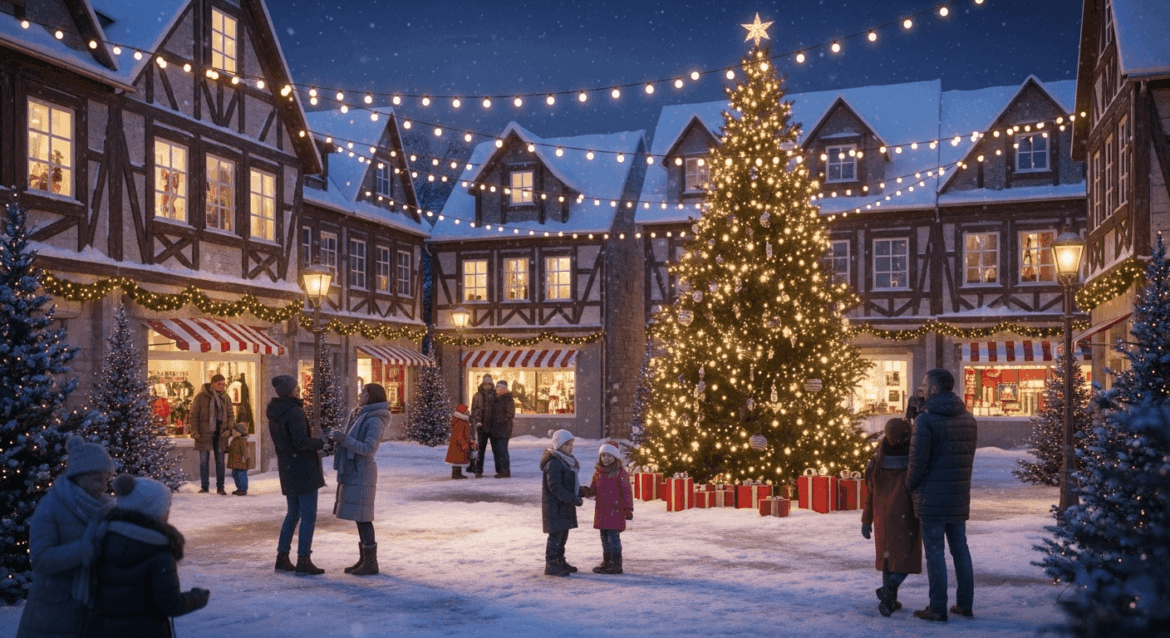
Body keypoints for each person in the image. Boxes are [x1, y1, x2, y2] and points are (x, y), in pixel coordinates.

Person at [83, 475, 210, 637]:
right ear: (154, 510)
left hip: (103, 630)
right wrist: (198, 597)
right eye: (167, 507)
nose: (168, 512)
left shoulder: (102, 537)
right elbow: (170, 604)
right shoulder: (159, 550)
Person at [16, 436, 115, 638]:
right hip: (54, 612)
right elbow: (41, 559)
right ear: (78, 475)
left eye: (107, 480)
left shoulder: (107, 508)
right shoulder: (51, 506)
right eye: (97, 479)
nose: (104, 487)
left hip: (96, 611)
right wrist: (85, 549)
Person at [907, 368, 978, 622]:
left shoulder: (926, 420)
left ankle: (937, 607)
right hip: (958, 494)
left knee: (935, 552)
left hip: (932, 497)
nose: (922, 389)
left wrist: (909, 486)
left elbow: (917, 463)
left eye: (925, 385)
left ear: (934, 388)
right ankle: (964, 604)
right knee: (960, 549)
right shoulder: (968, 418)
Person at [862, 418, 922, 617]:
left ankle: (889, 602)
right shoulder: (911, 460)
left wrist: (866, 521)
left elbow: (870, 495)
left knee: (888, 560)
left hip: (882, 519)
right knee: (906, 558)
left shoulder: (878, 460)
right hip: (905, 517)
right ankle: (890, 589)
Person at [330, 383, 391, 576]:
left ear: (372, 396)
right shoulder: (359, 414)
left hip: (362, 471)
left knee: (364, 517)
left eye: (365, 392)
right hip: (354, 470)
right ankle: (365, 559)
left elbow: (368, 448)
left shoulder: (375, 419)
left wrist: (344, 440)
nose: (361, 394)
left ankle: (371, 562)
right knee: (359, 516)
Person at [268, 374, 326, 576]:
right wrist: (321, 443)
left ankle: (282, 557)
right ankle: (304, 559)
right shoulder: (295, 412)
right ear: (291, 390)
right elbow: (301, 442)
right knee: (308, 515)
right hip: (302, 467)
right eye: (296, 387)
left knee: (293, 513)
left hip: (287, 467)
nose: (299, 389)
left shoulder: (275, 411)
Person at [583, 442, 633, 575]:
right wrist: (585, 491)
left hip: (615, 510)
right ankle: (607, 561)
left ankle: (616, 564)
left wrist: (628, 508)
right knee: (604, 537)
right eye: (603, 455)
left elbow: (627, 491)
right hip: (602, 511)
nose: (606, 458)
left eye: (609, 456)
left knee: (613, 537)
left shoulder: (620, 473)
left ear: (615, 458)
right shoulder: (598, 473)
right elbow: (593, 490)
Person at [540, 429, 584, 577]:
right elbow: (555, 487)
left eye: (572, 445)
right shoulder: (554, 463)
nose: (570, 448)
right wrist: (572, 498)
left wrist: (579, 492)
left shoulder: (566, 461)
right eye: (567, 445)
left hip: (563, 506)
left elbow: (568, 483)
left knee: (563, 535)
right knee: (555, 536)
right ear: (559, 446)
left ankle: (559, 560)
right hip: (554, 507)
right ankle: (551, 563)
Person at [189, 374, 237, 495]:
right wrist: (195, 431)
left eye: (223, 384)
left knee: (220, 461)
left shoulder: (226, 397)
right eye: (219, 383)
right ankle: (204, 487)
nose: (222, 386)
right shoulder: (201, 396)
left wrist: (229, 429)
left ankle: (220, 487)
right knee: (203, 461)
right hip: (204, 433)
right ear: (213, 384)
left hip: (221, 434)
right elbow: (193, 415)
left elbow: (231, 415)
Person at [468, 374, 496, 478]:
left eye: (489, 384)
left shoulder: (495, 395)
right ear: (482, 384)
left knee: (496, 450)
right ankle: (478, 470)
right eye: (485, 384)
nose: (487, 386)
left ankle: (500, 470)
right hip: (481, 427)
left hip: (493, 426)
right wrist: (477, 421)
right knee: (479, 450)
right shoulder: (477, 396)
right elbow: (475, 410)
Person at [489, 380, 515, 478]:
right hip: (495, 428)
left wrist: (503, 420)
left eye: (503, 389)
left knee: (502, 449)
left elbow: (510, 413)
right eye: (499, 389)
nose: (500, 391)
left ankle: (505, 470)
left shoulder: (508, 399)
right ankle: (499, 470)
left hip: (504, 428)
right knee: (497, 450)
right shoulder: (494, 399)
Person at [445, 403, 474, 479]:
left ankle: (457, 473)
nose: (467, 412)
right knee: (457, 459)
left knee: (458, 459)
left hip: (457, 443)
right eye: (466, 410)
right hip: (459, 444)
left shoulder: (460, 420)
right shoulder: (460, 422)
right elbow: (459, 435)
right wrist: (463, 443)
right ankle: (456, 474)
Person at [226, 427, 254, 496]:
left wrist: (245, 458)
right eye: (233, 432)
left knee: (241, 476)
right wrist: (228, 450)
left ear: (240, 433)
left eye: (235, 432)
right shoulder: (234, 440)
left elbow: (246, 452)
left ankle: (243, 489)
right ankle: (239, 488)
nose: (233, 433)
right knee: (235, 475)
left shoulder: (242, 441)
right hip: (235, 463)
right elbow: (232, 449)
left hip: (241, 463)